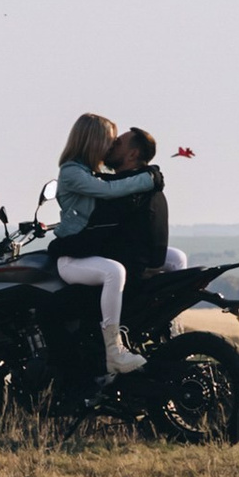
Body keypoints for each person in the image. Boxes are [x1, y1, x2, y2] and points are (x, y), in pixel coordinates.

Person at [46, 112, 156, 378]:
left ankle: (171, 332)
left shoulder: (94, 173)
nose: (111, 146)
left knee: (173, 258)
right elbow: (110, 191)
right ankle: (113, 351)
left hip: (90, 252)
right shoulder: (71, 172)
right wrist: (149, 177)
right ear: (92, 140)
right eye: (108, 140)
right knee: (114, 272)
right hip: (73, 258)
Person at [100, 127, 191, 274]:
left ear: (132, 155)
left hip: (128, 266)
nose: (110, 146)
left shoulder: (123, 190)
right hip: (147, 261)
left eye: (117, 144)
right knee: (177, 257)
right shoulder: (152, 186)